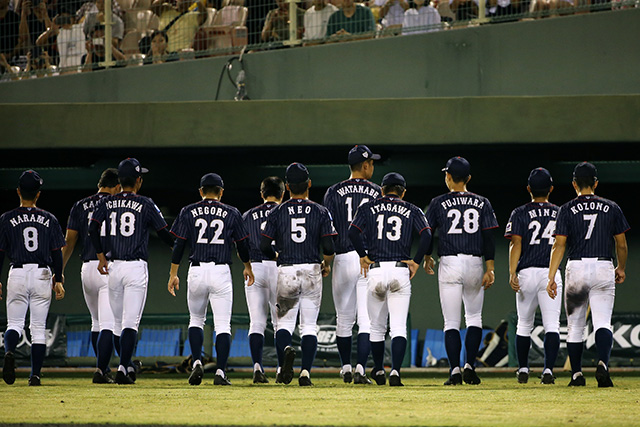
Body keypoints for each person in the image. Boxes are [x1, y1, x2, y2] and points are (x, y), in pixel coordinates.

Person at [89, 158, 175, 385]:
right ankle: (122, 369)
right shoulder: (145, 203)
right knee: (130, 323)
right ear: (138, 181)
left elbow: (92, 229)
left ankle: (122, 367)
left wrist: (99, 256)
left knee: (116, 324)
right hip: (136, 267)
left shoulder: (106, 203)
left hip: (113, 266)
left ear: (119, 181)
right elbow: (165, 233)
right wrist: (181, 246)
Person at [547, 161, 629, 388]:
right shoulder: (611, 207)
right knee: (603, 322)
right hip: (604, 266)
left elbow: (559, 245)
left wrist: (551, 276)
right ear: (596, 183)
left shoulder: (566, 209)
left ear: (574, 184)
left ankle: (576, 375)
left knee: (575, 326)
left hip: (577, 268)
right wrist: (620, 267)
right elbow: (621, 243)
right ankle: (603, 363)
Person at [168, 173, 254, 386]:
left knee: (196, 320)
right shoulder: (232, 212)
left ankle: (197, 361)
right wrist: (247, 266)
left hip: (196, 269)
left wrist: (173, 273)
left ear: (201, 191)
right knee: (223, 324)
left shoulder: (188, 211)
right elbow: (242, 245)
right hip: (221, 271)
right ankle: (220, 373)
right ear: (221, 192)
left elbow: (178, 244)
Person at [348, 172, 431, 387]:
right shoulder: (412, 208)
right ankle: (394, 371)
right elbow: (427, 234)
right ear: (403, 191)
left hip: (375, 269)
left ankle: (378, 370)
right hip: (400, 270)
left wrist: (362, 255)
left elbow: (353, 231)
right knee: (398, 327)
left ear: (382, 189)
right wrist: (416, 261)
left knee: (376, 328)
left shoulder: (367, 207)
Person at [260, 162, 336, 386]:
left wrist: (276, 256)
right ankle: (305, 373)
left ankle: (284, 361)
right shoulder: (321, 211)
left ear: (287, 188)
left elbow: (264, 244)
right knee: (309, 326)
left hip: (286, 269)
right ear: (309, 184)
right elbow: (330, 247)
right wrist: (327, 263)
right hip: (311, 268)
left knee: (283, 324)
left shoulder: (277, 211)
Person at [424, 156, 498, 386]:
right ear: (468, 178)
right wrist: (490, 267)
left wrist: (426, 256)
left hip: (450, 262)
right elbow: (488, 236)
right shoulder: (482, 202)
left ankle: (454, 370)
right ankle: (470, 367)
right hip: (475, 262)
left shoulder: (438, 202)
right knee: (474, 318)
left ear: (448, 177)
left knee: (451, 322)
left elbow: (427, 232)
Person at [0, 170, 66, 387]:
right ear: (38, 194)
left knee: (15, 323)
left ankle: (10, 352)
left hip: (17, 272)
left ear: (18, 191)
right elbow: (57, 251)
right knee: (37, 327)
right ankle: (35, 375)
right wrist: (58, 279)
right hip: (42, 273)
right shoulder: (50, 218)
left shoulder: (6, 219)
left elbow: (0, 252)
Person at [323, 145, 381, 385]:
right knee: (366, 320)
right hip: (366, 258)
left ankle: (346, 367)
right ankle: (360, 369)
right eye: (372, 163)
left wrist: (326, 260)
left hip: (342, 256)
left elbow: (327, 230)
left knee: (343, 319)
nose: (373, 167)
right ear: (365, 165)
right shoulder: (377, 191)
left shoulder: (333, 191)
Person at [62, 168, 121, 384]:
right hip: (107, 266)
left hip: (86, 268)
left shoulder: (80, 205)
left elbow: (68, 242)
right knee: (108, 323)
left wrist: (59, 271)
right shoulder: (116, 205)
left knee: (96, 322)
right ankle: (101, 370)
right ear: (116, 187)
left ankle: (102, 367)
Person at [504, 168, 561, 384]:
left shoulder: (520, 212)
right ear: (551, 189)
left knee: (523, 325)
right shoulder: (560, 212)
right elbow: (562, 244)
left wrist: (512, 272)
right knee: (552, 325)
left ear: (528, 189)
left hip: (526, 271)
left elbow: (515, 242)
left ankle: (524, 368)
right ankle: (547, 370)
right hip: (550, 271)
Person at [241, 176, 285, 384]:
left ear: (262, 194)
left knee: (256, 322)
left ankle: (257, 367)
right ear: (282, 193)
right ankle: (280, 369)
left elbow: (240, 244)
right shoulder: (286, 212)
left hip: (255, 267)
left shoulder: (248, 215)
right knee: (280, 324)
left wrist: (246, 265)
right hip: (280, 268)